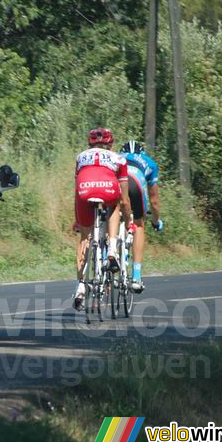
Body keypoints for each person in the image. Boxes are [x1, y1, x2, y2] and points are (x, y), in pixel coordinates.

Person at [73, 128, 134, 309]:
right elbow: (124, 199)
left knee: (84, 238)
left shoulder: (80, 157)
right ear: (111, 144)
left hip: (84, 190)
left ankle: (81, 287)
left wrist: (78, 218)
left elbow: (76, 189)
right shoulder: (119, 159)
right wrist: (129, 219)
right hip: (107, 188)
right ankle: (112, 251)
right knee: (115, 204)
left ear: (89, 144)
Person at [119, 140, 162, 292]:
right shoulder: (149, 162)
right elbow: (154, 201)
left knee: (110, 218)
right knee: (138, 225)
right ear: (141, 153)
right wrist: (156, 221)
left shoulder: (116, 156)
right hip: (136, 184)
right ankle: (136, 277)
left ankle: (107, 257)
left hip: (117, 183)